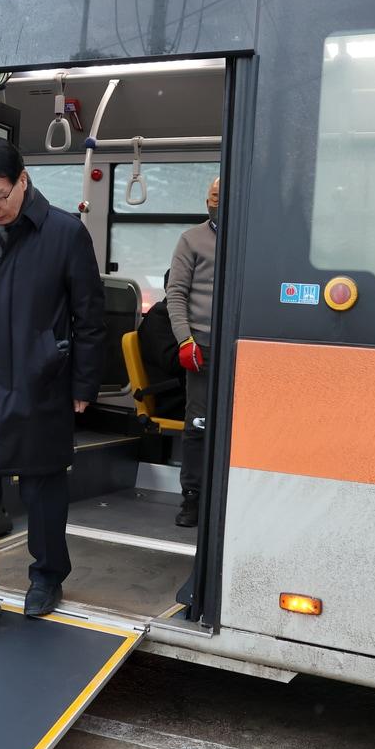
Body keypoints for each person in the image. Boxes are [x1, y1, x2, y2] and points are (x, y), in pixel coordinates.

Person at [0, 138, 106, 653]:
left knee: (42, 489)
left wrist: (82, 385)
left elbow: (90, 318)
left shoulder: (64, 233)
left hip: (43, 383)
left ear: (23, 180)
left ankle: (47, 575)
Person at [167, 177, 219, 528]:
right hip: (201, 343)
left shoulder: (255, 238)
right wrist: (185, 339)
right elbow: (176, 294)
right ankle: (192, 497)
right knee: (198, 425)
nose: (216, 201)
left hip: (241, 348)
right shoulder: (191, 240)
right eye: (213, 195)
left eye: (222, 196)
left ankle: (225, 497)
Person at [137, 270, 185, 421]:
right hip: (174, 399)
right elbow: (172, 362)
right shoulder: (160, 316)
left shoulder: (181, 318)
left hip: (186, 393)